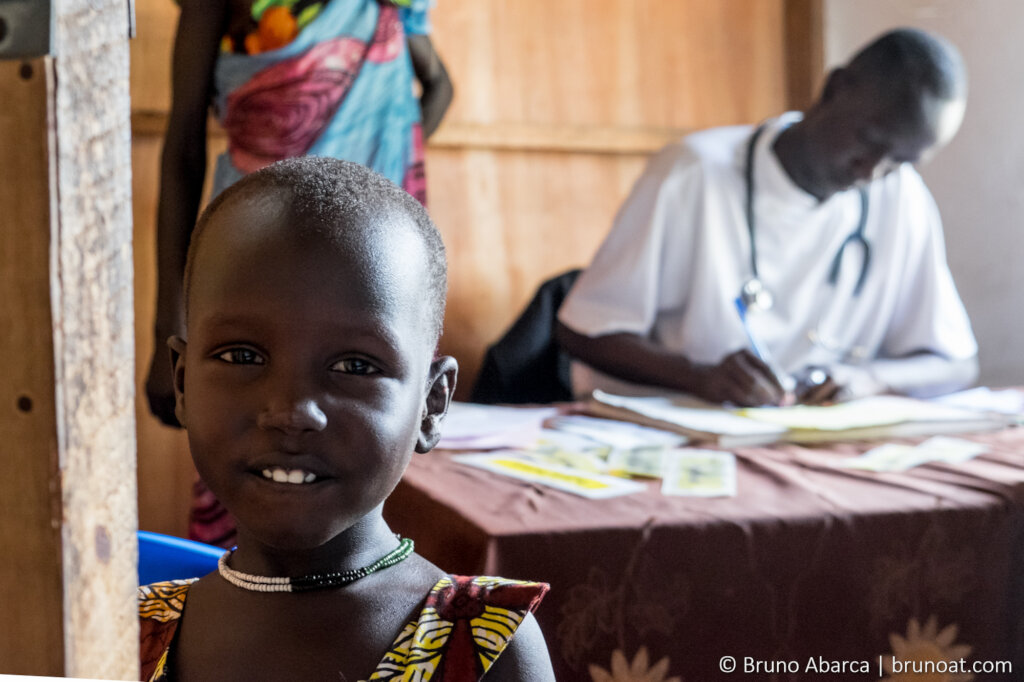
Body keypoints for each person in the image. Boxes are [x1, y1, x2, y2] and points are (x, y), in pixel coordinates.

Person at [137, 157, 554, 681]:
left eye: (355, 366)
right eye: (242, 356)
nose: (291, 412)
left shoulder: (481, 645)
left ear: (431, 404)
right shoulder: (125, 631)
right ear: (181, 383)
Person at [556, 28, 978, 407]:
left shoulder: (901, 198)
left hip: (802, 444)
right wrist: (698, 376)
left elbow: (956, 364)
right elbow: (583, 331)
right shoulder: (693, 172)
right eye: (868, 140)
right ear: (833, 89)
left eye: (901, 161)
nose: (871, 172)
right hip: (678, 429)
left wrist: (868, 379)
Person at [146, 0, 453, 427]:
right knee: (249, 430)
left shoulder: (386, 6)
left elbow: (440, 85)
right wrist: (165, 328)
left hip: (368, 265)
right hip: (257, 255)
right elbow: (183, 152)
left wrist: (382, 159)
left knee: (360, 428)